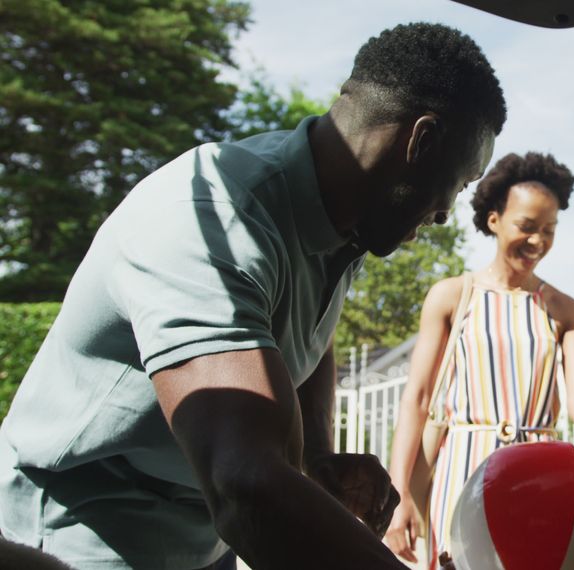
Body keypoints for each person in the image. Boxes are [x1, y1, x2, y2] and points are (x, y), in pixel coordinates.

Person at [0, 22, 506, 570]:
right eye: (459, 185)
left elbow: (311, 329)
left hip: (205, 539)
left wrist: (316, 455)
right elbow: (244, 485)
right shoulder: (211, 217)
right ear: (421, 141)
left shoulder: (348, 223)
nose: (442, 214)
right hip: (85, 532)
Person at [384, 152, 574, 568]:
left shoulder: (567, 311)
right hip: (461, 471)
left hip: (541, 476)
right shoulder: (451, 295)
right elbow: (419, 396)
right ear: (494, 220)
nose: (538, 241)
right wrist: (399, 494)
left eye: (549, 230)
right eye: (527, 226)